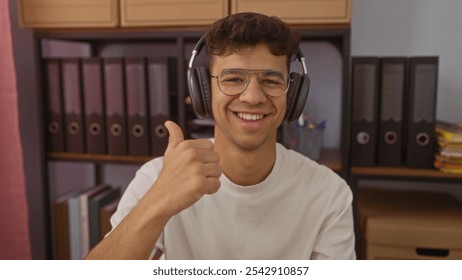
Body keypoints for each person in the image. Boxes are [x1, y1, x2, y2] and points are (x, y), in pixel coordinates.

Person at [85, 12, 356, 260]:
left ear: (293, 95)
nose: (252, 97)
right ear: (203, 92)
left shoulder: (329, 194)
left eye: (271, 81)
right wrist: (158, 201)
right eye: (233, 79)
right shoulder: (157, 178)